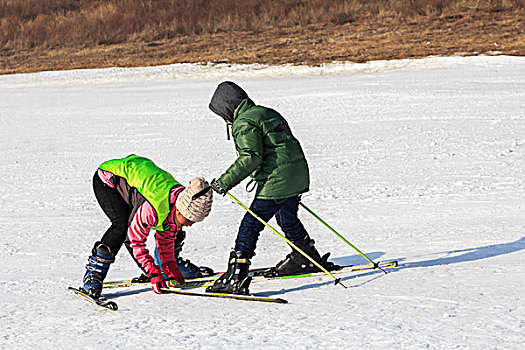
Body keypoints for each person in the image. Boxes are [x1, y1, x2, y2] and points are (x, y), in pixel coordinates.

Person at [205, 81, 338, 295]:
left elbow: (251, 158)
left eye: (222, 114)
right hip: (296, 174)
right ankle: (304, 256)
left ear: (228, 108)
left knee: (251, 224)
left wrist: (224, 182)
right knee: (287, 217)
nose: (225, 120)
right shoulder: (266, 113)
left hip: (278, 179)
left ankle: (236, 275)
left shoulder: (244, 123)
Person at [80, 154, 213, 298]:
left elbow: (166, 239)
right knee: (122, 227)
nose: (190, 224)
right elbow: (134, 241)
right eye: (189, 219)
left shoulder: (178, 203)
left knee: (173, 231)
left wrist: (169, 268)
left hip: (139, 183)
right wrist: (152, 272)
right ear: (180, 209)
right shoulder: (153, 207)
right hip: (109, 179)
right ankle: (94, 273)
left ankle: (151, 268)